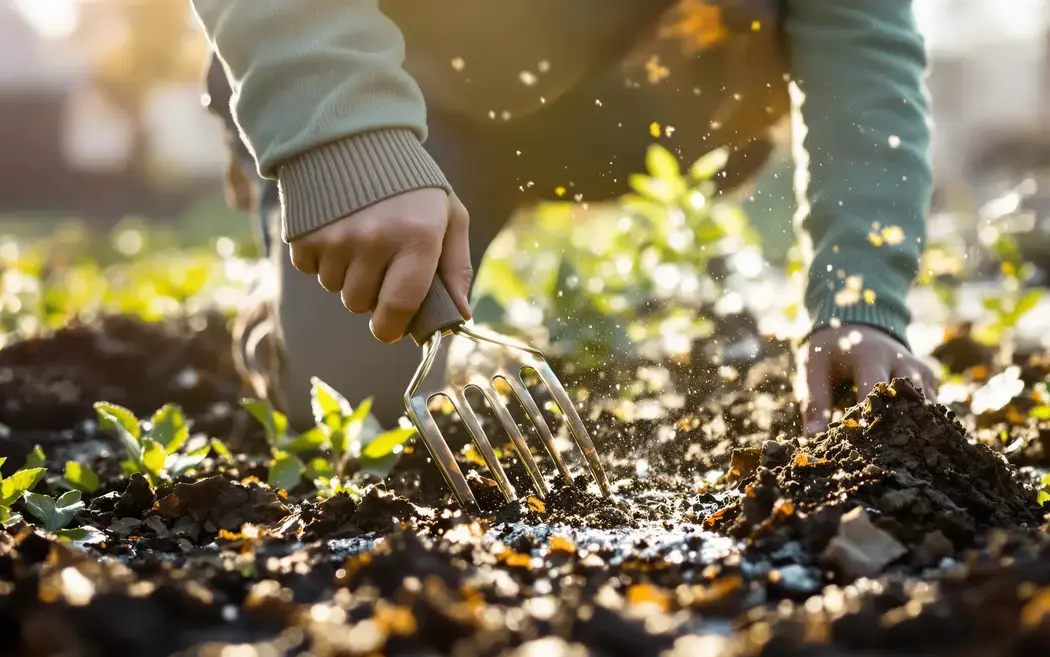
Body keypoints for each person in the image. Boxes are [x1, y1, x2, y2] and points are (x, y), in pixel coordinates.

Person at [194, 0, 936, 435]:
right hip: (408, 85)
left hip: (630, 98)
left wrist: (859, 297)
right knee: (357, 400)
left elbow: (862, 36)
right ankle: (285, 199)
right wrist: (338, 134)